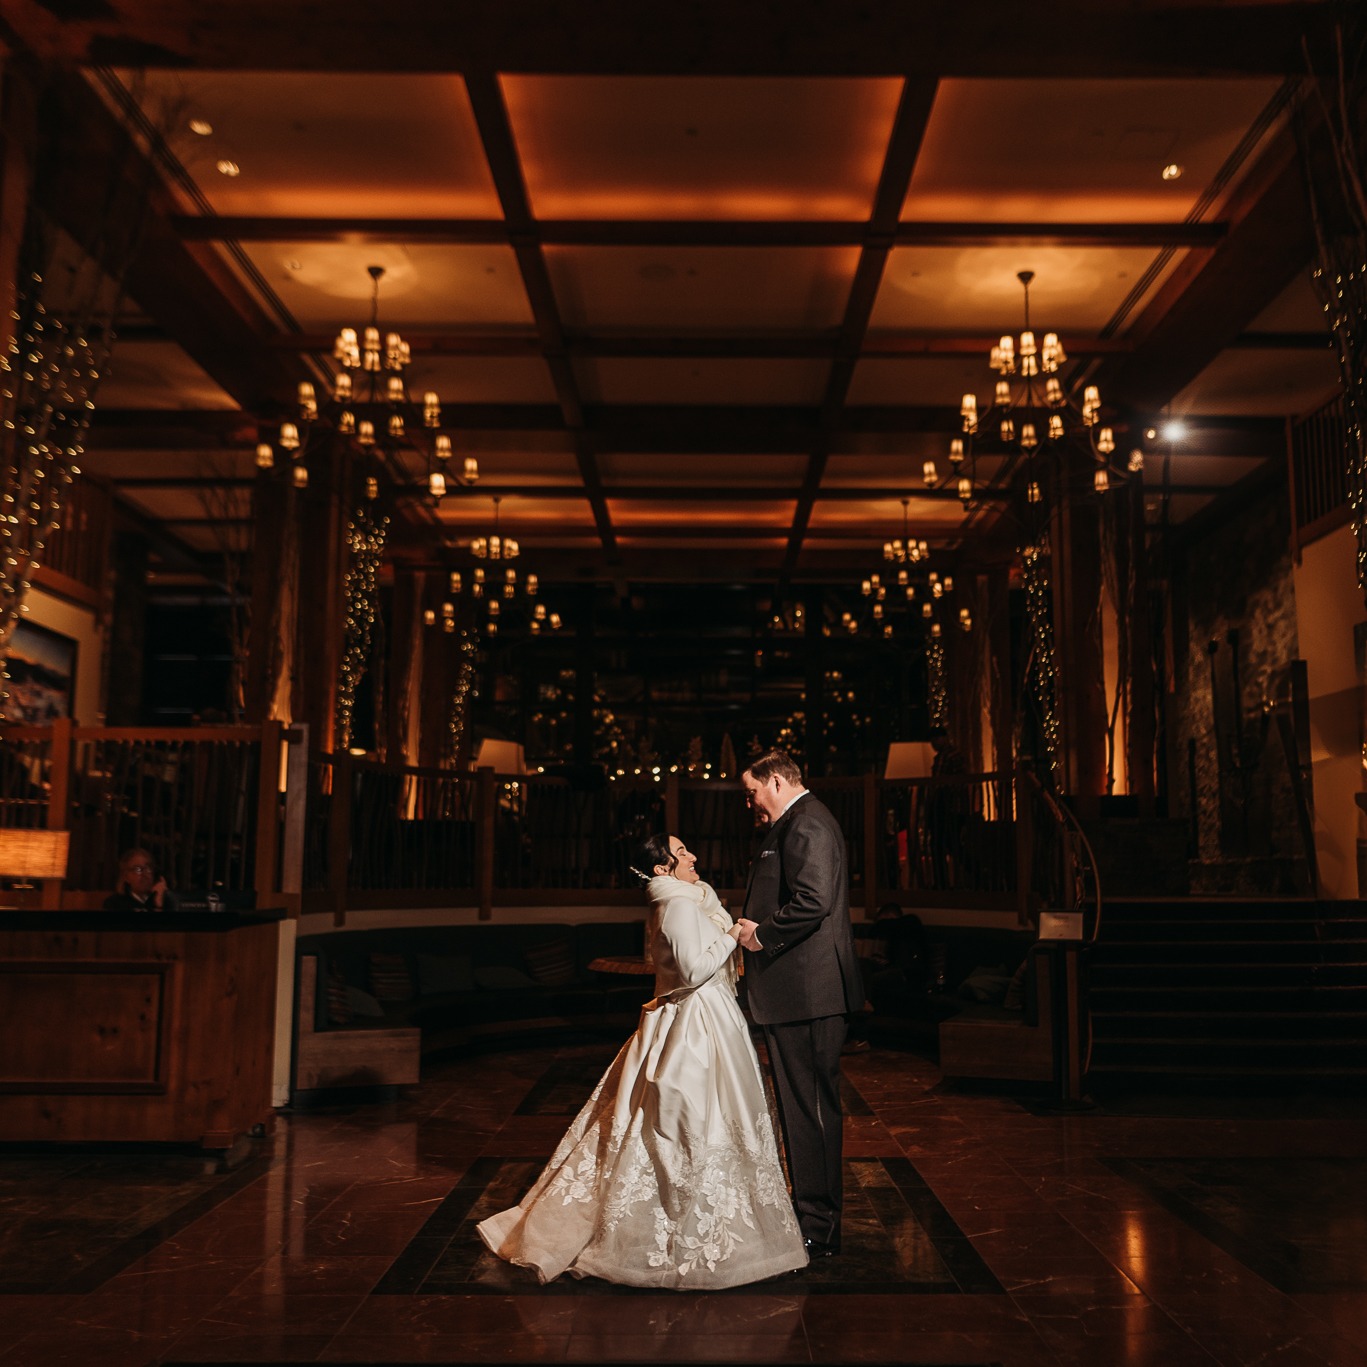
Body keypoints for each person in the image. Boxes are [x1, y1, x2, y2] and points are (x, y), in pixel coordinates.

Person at [477, 832, 807, 1289]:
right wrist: (731, 934)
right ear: (661, 869)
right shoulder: (675, 904)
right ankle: (671, 1228)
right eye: (682, 852)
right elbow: (691, 971)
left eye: (689, 848)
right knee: (684, 1122)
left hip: (712, 1016)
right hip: (696, 1026)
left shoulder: (688, 897)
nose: (693, 855)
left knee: (718, 1120)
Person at [737, 749, 864, 1259]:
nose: (751, 804)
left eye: (752, 792)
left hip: (807, 994)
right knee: (804, 1110)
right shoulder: (801, 821)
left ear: (775, 781)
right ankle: (812, 1215)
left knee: (810, 1111)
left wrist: (759, 936)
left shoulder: (806, 822)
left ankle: (820, 1226)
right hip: (800, 994)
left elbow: (813, 900)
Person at [103, 848, 179, 912]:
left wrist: (158, 904)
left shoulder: (167, 900)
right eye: (138, 869)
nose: (144, 874)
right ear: (126, 877)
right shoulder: (114, 903)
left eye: (148, 868)